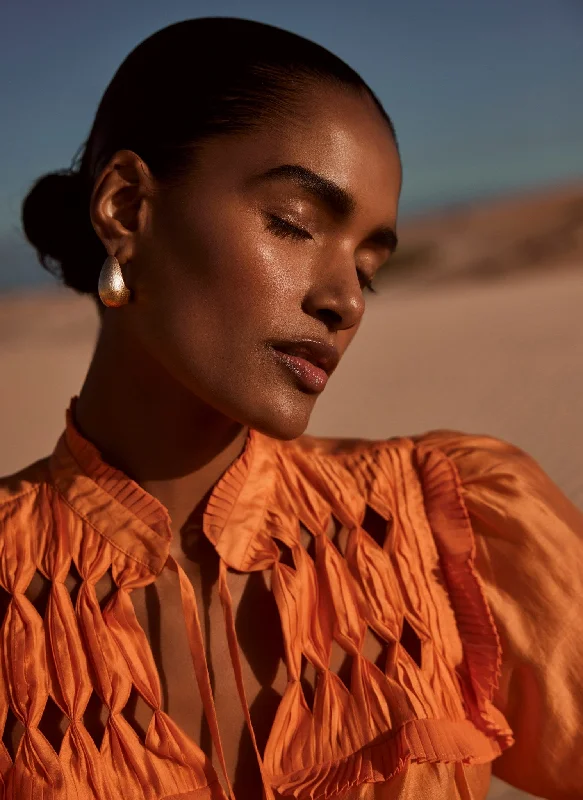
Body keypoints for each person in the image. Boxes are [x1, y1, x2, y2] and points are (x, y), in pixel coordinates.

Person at [2, 16, 582, 800]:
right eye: (295, 224)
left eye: (368, 269)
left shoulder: (446, 526)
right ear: (128, 208)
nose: (343, 300)